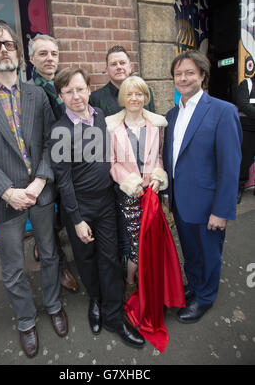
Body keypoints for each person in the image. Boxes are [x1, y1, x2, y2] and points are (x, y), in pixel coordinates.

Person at [0, 20, 68, 358]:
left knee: (49, 254)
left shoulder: (36, 94)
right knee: (13, 266)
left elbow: (53, 141)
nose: (4, 49)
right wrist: (8, 191)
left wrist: (39, 181)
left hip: (39, 192)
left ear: (19, 53)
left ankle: (52, 304)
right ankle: (24, 320)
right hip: (3, 199)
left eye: (9, 44)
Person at [50, 66, 145, 348]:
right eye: (69, 91)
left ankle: (114, 316)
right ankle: (96, 300)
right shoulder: (59, 130)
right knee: (86, 259)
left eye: (80, 89)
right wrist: (77, 219)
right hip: (78, 207)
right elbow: (63, 180)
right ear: (60, 96)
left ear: (89, 89)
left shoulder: (102, 117)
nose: (76, 95)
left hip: (106, 202)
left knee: (109, 257)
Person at [163, 50, 242, 323]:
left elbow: (230, 167)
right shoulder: (172, 115)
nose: (183, 78)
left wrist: (222, 210)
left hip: (209, 205)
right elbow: (171, 158)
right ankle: (195, 286)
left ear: (202, 76)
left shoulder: (223, 111)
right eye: (178, 74)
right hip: (181, 203)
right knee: (191, 253)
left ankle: (205, 297)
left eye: (189, 73)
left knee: (209, 255)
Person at [89, 45, 155, 268]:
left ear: (130, 66)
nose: (118, 67)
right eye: (113, 64)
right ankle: (123, 269)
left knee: (141, 227)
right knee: (118, 226)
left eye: (122, 62)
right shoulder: (96, 98)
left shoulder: (145, 92)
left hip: (141, 176)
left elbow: (152, 131)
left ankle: (141, 271)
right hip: (109, 174)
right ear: (106, 69)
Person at [105, 75, 168, 298]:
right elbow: (112, 164)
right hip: (129, 195)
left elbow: (158, 157)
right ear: (123, 97)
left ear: (145, 97)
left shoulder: (156, 125)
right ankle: (131, 282)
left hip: (152, 192)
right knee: (135, 241)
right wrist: (132, 185)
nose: (134, 98)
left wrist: (158, 178)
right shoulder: (112, 126)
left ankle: (147, 278)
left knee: (151, 238)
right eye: (130, 94)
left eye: (139, 93)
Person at [28, 33, 79, 293]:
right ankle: (60, 268)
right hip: (44, 166)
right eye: (43, 53)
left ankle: (43, 241)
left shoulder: (63, 84)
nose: (50, 58)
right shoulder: (28, 91)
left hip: (68, 163)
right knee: (47, 220)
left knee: (63, 213)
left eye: (54, 54)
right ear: (31, 58)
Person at [232, 76, 255, 203]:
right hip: (247, 130)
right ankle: (238, 188)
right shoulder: (247, 84)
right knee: (243, 162)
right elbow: (243, 104)